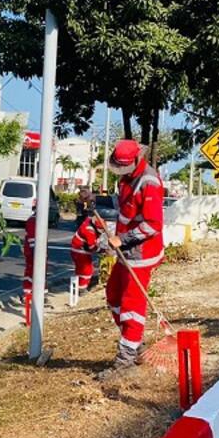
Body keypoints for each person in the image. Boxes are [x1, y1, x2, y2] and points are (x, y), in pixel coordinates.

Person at [103, 139, 165, 371]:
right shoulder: (126, 179)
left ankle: (126, 361)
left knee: (131, 306)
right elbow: (124, 213)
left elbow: (153, 224)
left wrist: (124, 239)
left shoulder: (149, 182)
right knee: (113, 296)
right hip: (125, 253)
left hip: (141, 254)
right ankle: (134, 341)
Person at [70, 211, 101, 292]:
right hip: (80, 251)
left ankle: (77, 286)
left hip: (77, 250)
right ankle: (82, 288)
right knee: (87, 270)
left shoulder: (89, 221)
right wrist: (102, 250)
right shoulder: (89, 231)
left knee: (80, 270)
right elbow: (92, 247)